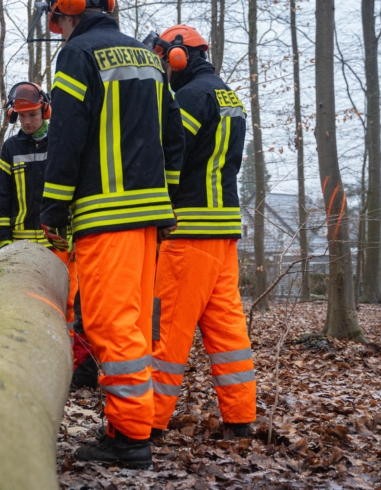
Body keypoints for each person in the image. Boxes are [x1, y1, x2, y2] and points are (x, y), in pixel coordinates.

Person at [40, 0, 185, 469]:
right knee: (137, 321)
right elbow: (174, 135)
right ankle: (131, 424)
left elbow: (66, 133)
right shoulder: (146, 56)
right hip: (148, 217)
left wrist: (54, 206)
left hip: (107, 214)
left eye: (57, 19)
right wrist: (167, 199)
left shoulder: (79, 54)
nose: (57, 29)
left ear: (68, 11)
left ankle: (129, 437)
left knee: (108, 324)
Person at [144, 25, 255, 440]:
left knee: (167, 326)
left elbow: (174, 150)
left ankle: (147, 423)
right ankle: (241, 418)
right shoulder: (228, 95)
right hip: (225, 228)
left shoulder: (189, 97)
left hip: (191, 228)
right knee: (227, 327)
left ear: (179, 56)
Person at [0, 82, 95, 389]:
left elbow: (76, 191)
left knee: (71, 304)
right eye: (21, 117)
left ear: (45, 110)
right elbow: (3, 196)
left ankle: (77, 366)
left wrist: (76, 234)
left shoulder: (61, 142)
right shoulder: (11, 148)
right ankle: (29, 360)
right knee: (26, 304)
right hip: (23, 244)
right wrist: (4, 240)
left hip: (60, 241)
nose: (27, 122)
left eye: (32, 115)